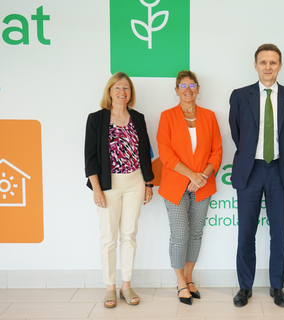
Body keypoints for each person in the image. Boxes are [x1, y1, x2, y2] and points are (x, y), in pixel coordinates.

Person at [229, 43, 284, 308]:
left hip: (279, 170)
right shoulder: (240, 95)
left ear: (280, 66)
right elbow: (237, 134)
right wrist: (253, 154)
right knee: (245, 232)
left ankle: (277, 287)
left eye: (273, 63)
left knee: (279, 233)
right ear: (255, 65)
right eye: (263, 62)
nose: (268, 67)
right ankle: (244, 287)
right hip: (250, 170)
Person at [84, 71, 155, 308]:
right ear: (109, 92)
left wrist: (147, 184)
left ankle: (126, 285)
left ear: (130, 93)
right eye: (117, 88)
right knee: (108, 237)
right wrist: (96, 189)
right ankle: (110, 288)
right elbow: (90, 157)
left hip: (135, 182)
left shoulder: (138, 118)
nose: (122, 92)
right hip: (108, 184)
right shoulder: (97, 119)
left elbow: (145, 154)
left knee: (129, 235)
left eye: (126, 88)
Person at [157, 70, 222, 305]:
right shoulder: (167, 117)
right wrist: (192, 176)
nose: (188, 90)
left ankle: (189, 277)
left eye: (192, 85)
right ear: (176, 91)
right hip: (175, 185)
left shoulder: (210, 116)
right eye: (183, 86)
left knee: (195, 233)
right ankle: (179, 281)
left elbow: (217, 152)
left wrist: (201, 177)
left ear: (198, 89)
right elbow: (166, 153)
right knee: (180, 234)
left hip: (203, 185)